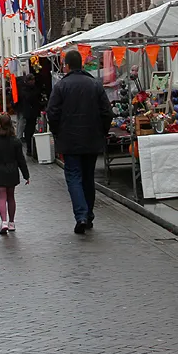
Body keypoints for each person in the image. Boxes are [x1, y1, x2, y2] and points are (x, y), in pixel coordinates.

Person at [46, 49, 111, 235]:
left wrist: (58, 133)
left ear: (66, 66)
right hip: (91, 139)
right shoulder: (94, 84)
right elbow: (107, 112)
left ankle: (81, 215)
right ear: (81, 64)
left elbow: (52, 113)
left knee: (74, 177)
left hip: (69, 140)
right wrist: (101, 132)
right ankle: (88, 214)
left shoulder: (61, 86)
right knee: (88, 178)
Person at [0, 113, 30, 235]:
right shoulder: (16, 142)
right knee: (11, 197)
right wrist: (26, 175)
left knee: (1, 197)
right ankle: (12, 222)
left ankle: (3, 221)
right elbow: (21, 159)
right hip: (12, 171)